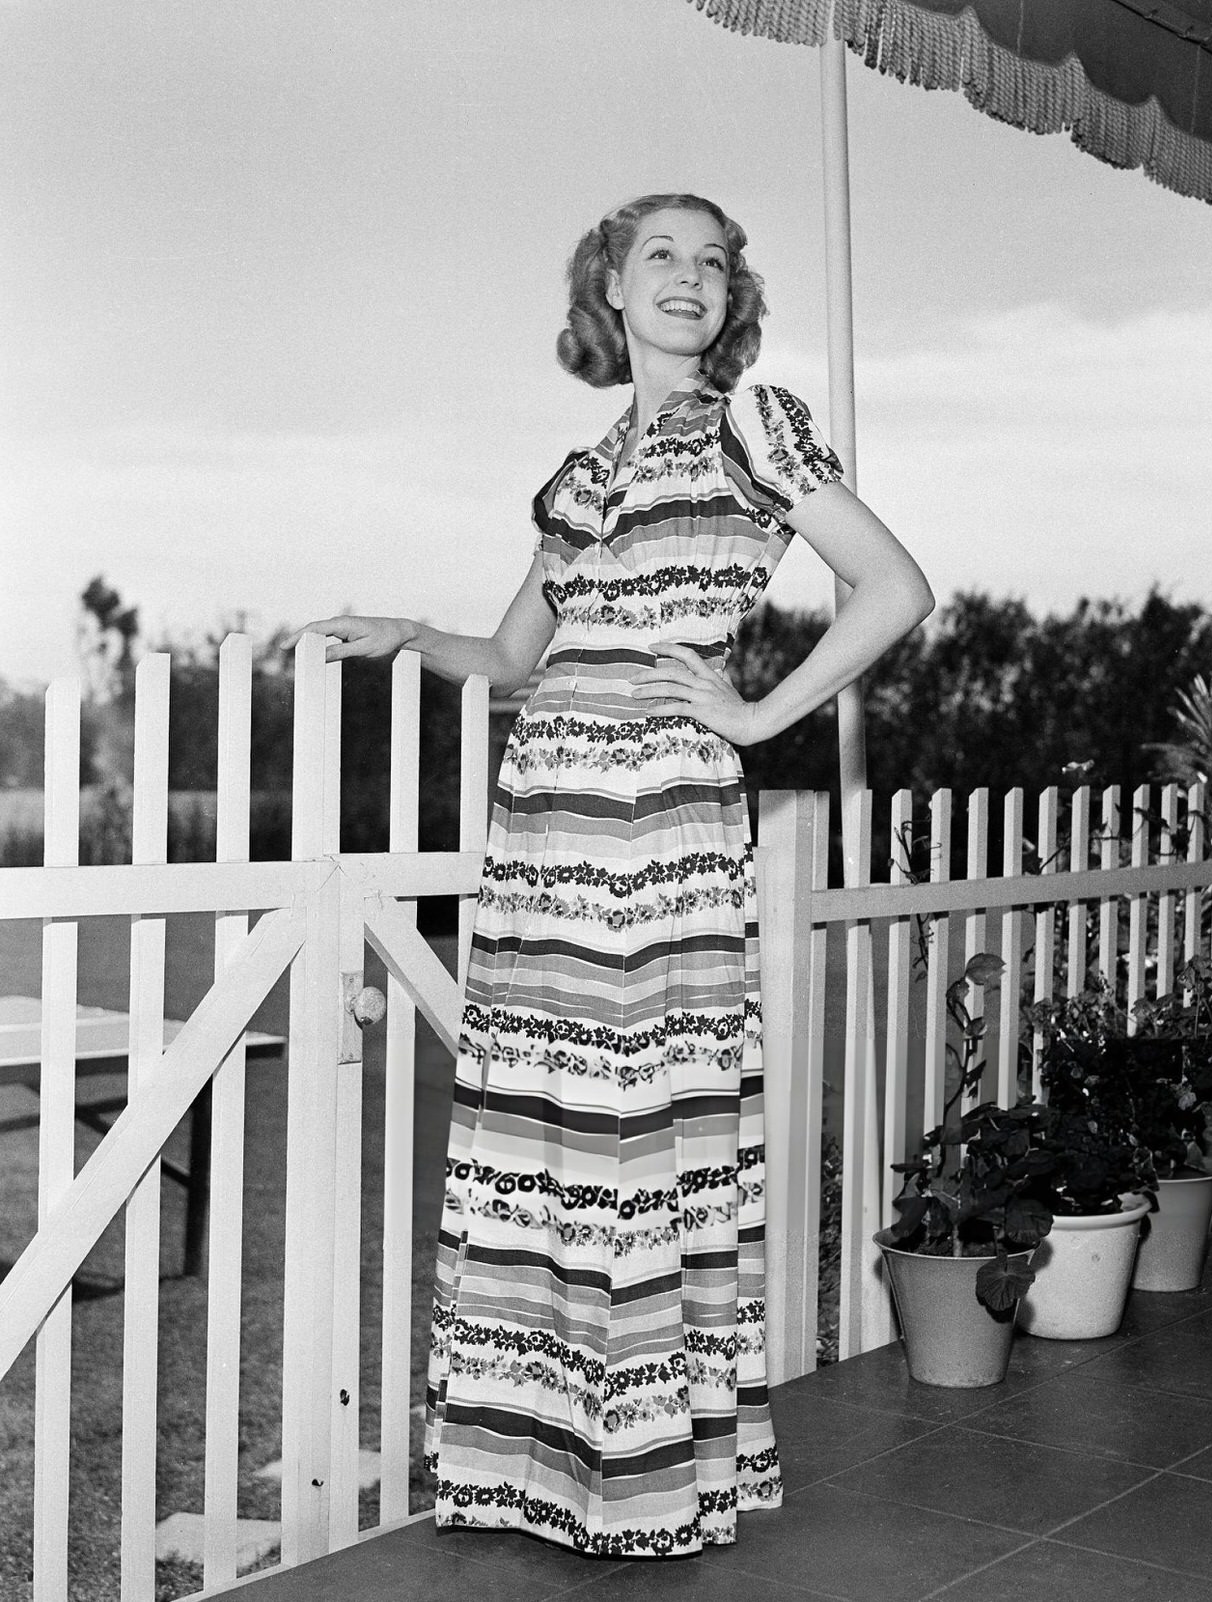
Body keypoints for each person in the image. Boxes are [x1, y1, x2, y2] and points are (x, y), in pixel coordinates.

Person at [291, 192, 933, 1558]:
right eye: (663, 256)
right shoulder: (587, 467)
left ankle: (645, 1477)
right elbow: (518, 659)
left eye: (714, 260)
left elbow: (893, 586)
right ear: (612, 286)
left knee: (638, 1140)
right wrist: (408, 629)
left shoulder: (758, 426)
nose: (690, 278)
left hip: (657, 837)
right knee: (556, 1143)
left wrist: (758, 714)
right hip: (543, 848)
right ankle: (547, 1470)